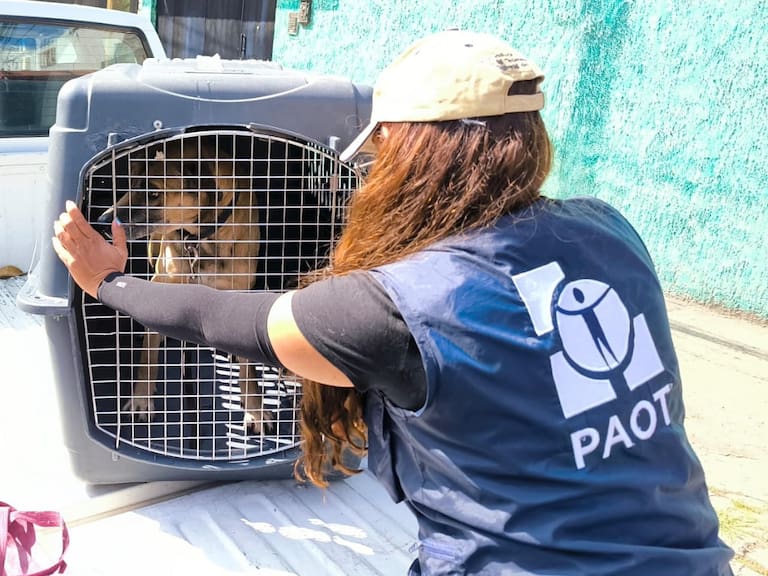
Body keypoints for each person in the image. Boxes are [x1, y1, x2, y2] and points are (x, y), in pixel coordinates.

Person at [52, 30, 733, 576]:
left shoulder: (400, 306)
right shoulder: (611, 229)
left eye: (381, 150)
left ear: (409, 153)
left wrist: (107, 282)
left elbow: (225, 320)